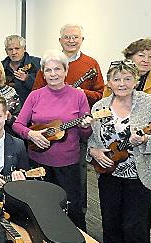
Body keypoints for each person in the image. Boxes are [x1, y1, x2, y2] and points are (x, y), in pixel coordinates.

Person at [87, 60, 151, 243]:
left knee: (135, 226)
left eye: (127, 78)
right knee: (110, 222)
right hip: (109, 174)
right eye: (116, 79)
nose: (122, 83)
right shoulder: (100, 107)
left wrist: (146, 139)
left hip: (140, 176)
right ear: (109, 82)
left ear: (136, 80)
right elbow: (91, 141)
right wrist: (95, 153)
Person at [12, 50, 92, 231]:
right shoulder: (35, 95)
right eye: (48, 70)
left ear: (66, 70)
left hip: (68, 164)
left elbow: (85, 135)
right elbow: (18, 125)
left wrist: (85, 126)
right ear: (43, 73)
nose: (53, 74)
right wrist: (32, 134)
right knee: (41, 207)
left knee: (72, 209)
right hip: (38, 164)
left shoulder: (78, 96)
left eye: (57, 69)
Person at [32, 24, 104, 215]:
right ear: (60, 40)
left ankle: (77, 217)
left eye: (75, 37)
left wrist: (83, 93)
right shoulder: (49, 63)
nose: (71, 40)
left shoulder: (91, 64)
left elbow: (101, 94)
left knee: (76, 181)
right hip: (48, 133)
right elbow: (36, 93)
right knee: (46, 183)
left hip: (77, 129)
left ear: (82, 40)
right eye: (67, 37)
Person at [104, 38, 151, 170]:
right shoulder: (115, 80)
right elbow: (105, 112)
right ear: (130, 57)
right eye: (141, 55)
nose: (146, 60)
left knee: (144, 187)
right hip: (117, 149)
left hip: (149, 149)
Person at [1, 35, 41, 105]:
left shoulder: (38, 64)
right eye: (10, 49)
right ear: (6, 51)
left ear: (24, 48)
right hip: (7, 111)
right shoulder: (0, 67)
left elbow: (44, 88)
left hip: (32, 109)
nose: (14, 52)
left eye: (17, 48)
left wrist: (27, 79)